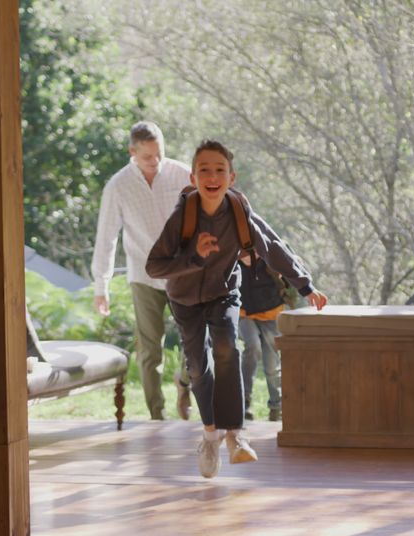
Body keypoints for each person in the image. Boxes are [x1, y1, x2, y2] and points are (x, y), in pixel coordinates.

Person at [146, 140, 328, 478]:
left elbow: (271, 246)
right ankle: (210, 436)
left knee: (229, 347)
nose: (212, 176)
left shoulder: (238, 211)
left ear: (232, 177)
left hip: (224, 293)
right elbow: (154, 267)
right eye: (204, 170)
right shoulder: (183, 216)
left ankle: (235, 435)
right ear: (193, 176)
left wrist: (305, 286)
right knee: (199, 367)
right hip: (185, 300)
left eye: (220, 170)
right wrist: (194, 258)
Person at [91, 121, 193, 421]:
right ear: (132, 152)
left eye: (159, 153)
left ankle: (184, 383)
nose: (155, 161)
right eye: (148, 156)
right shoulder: (118, 186)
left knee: (195, 339)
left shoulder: (182, 174)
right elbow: (106, 236)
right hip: (144, 276)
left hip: (182, 273)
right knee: (150, 352)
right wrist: (102, 286)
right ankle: (156, 417)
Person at [238, 254, 289, 421]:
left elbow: (294, 267)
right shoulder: (232, 249)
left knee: (272, 364)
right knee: (252, 346)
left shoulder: (269, 248)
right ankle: (244, 403)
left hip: (271, 312)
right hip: (244, 312)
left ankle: (276, 406)